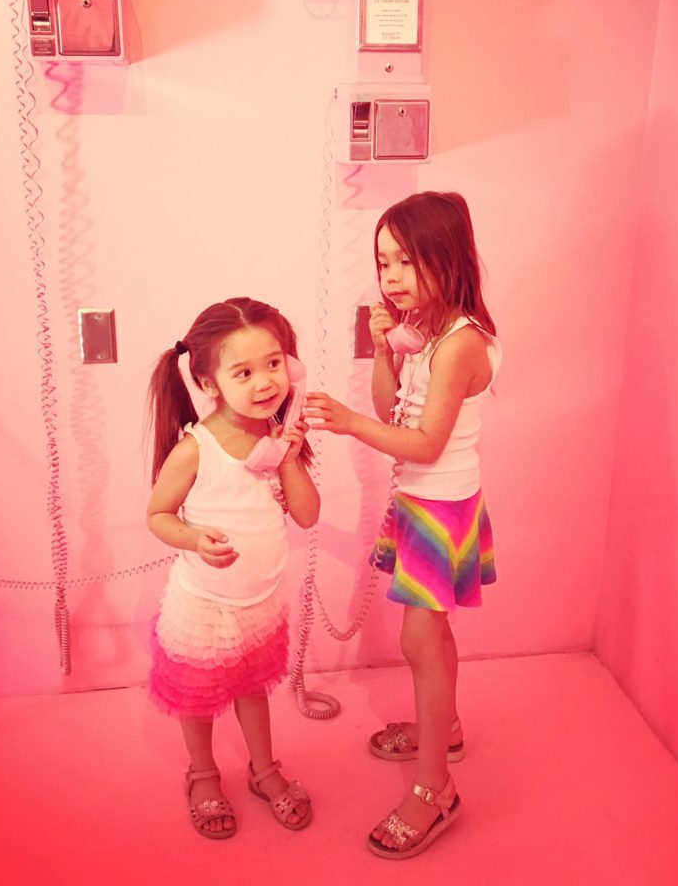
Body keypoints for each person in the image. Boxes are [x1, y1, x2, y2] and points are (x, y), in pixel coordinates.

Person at [305, 191, 501, 859]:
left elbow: (422, 441)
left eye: (405, 261)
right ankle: (442, 729)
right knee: (429, 633)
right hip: (422, 503)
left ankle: (433, 791)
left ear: (447, 259)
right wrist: (387, 349)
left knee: (421, 636)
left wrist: (348, 420)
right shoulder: (426, 332)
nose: (390, 276)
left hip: (442, 506)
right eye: (383, 261)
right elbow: (393, 401)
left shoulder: (461, 343)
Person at [146, 297, 319, 840]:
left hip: (258, 601)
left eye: (274, 363)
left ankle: (263, 769)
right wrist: (194, 539)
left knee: (252, 688)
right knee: (197, 697)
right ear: (209, 381)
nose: (265, 381)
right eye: (243, 371)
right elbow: (157, 514)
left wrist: (289, 453)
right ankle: (202, 773)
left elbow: (309, 515)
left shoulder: (279, 438)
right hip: (205, 604)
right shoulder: (196, 448)